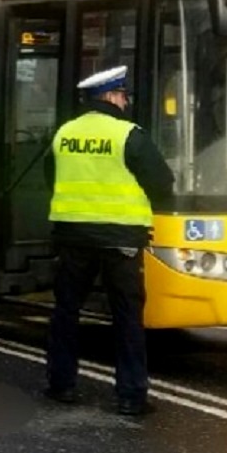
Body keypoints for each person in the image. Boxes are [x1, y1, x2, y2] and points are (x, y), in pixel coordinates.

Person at [44, 65, 174, 416]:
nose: (125, 101)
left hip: (73, 236)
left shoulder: (64, 133)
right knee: (127, 317)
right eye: (123, 95)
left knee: (66, 311)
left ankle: (61, 384)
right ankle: (131, 396)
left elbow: (49, 178)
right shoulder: (129, 134)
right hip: (121, 239)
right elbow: (162, 181)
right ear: (113, 97)